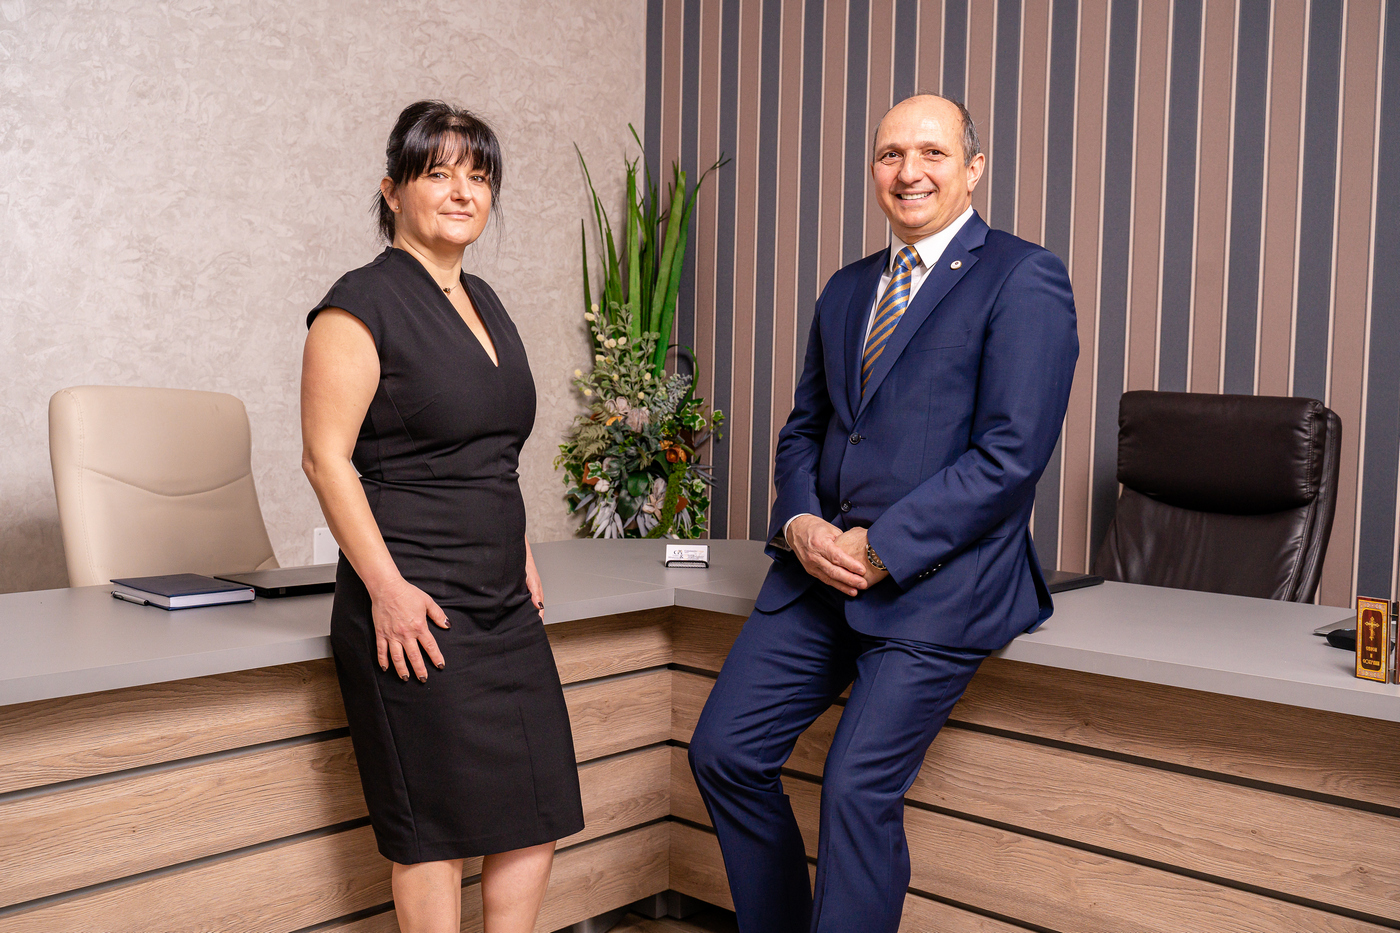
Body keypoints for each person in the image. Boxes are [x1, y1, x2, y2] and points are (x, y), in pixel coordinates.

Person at [688, 94, 1079, 933]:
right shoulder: (847, 288)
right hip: (818, 573)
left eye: (932, 153)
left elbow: (1011, 456)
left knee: (855, 788)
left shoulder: (1025, 277)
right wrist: (799, 524)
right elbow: (806, 429)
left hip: (940, 584)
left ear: (973, 169)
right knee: (724, 752)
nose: (909, 172)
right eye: (890, 154)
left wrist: (883, 548)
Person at [300, 100, 583, 933]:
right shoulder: (358, 305)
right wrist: (385, 589)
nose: (463, 191)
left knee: (535, 811)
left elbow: (489, 451)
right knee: (435, 833)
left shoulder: (482, 298)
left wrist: (519, 548)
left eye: (479, 176)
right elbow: (325, 459)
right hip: (414, 602)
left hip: (502, 602)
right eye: (438, 173)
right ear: (393, 190)